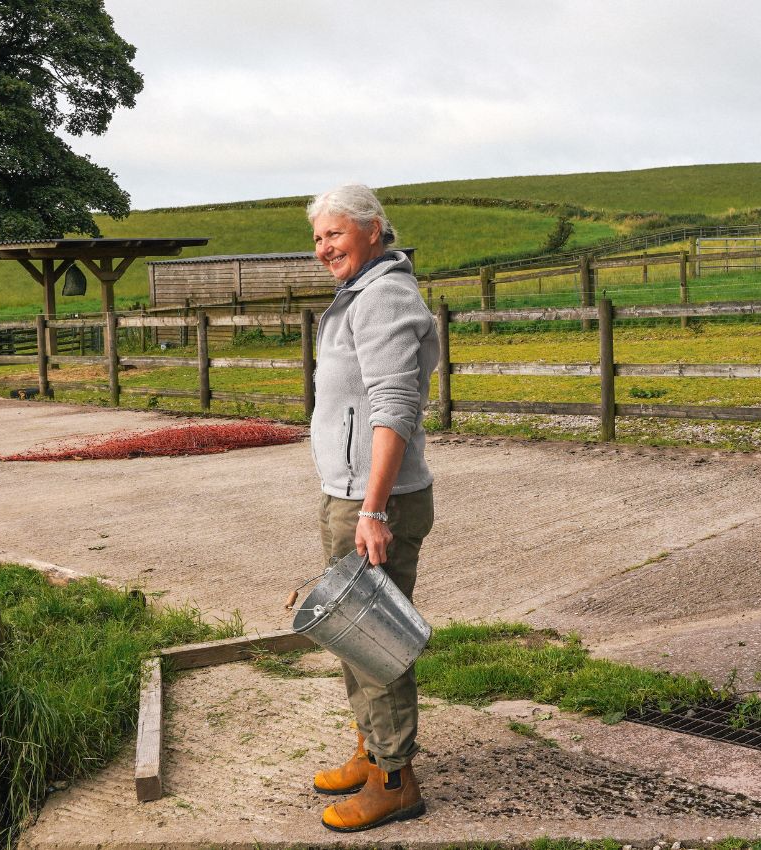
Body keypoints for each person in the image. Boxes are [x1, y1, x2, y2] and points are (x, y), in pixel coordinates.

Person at [306, 184, 439, 832]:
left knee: (377, 643)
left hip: (372, 502)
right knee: (354, 636)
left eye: (334, 234)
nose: (323, 247)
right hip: (351, 493)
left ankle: (395, 780)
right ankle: (371, 750)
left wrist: (374, 510)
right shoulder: (361, 291)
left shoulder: (384, 294)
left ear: (373, 230)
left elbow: (394, 409)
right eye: (318, 238)